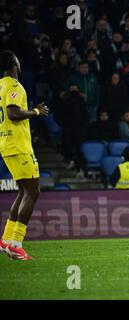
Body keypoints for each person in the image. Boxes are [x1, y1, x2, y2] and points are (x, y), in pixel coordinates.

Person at [0, 50, 49, 260]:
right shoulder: (13, 85)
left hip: (6, 144)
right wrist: (36, 112)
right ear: (14, 63)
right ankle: (16, 244)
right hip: (18, 146)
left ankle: (6, 240)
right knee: (33, 191)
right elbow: (13, 113)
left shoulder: (0, 86)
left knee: (23, 191)